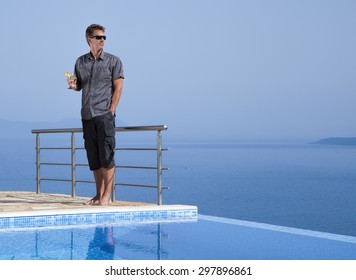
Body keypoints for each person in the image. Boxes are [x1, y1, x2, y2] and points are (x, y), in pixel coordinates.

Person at [67, 24, 124, 205]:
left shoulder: (114, 61)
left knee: (107, 155)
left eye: (104, 37)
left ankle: (106, 196)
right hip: (87, 115)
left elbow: (119, 87)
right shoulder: (80, 62)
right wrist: (73, 86)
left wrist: (112, 109)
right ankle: (98, 195)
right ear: (89, 40)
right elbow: (80, 86)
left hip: (104, 115)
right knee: (94, 157)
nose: (102, 40)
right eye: (99, 37)